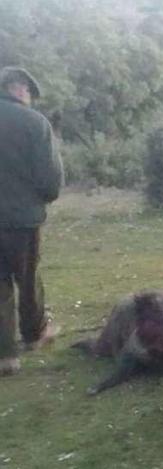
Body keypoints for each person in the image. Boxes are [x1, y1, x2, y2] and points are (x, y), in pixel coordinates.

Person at [0, 67, 64, 376]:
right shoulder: (34, 123)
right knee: (27, 280)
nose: (29, 96)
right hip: (22, 220)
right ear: (19, 88)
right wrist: (40, 199)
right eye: (28, 90)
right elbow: (50, 180)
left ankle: (5, 356)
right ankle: (34, 334)